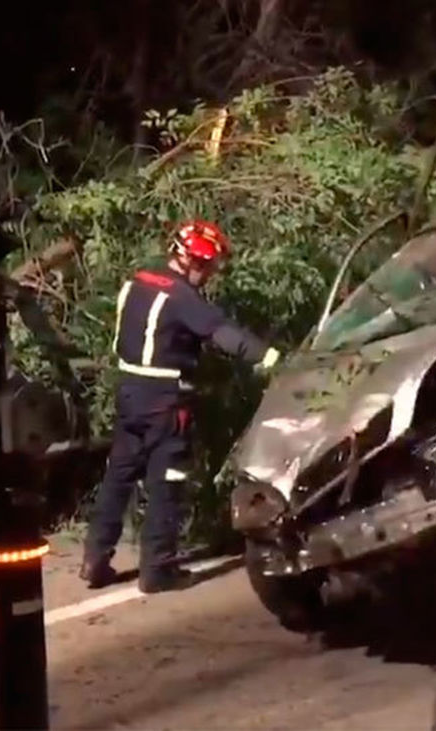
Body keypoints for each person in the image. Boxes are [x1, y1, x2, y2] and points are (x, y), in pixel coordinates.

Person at [82, 221, 280, 593]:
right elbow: (224, 335)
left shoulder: (135, 282)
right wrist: (271, 358)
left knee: (118, 476)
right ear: (193, 260)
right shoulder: (182, 297)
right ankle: (157, 570)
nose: (208, 274)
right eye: (208, 266)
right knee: (166, 481)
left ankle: (94, 560)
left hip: (127, 390)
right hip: (164, 398)